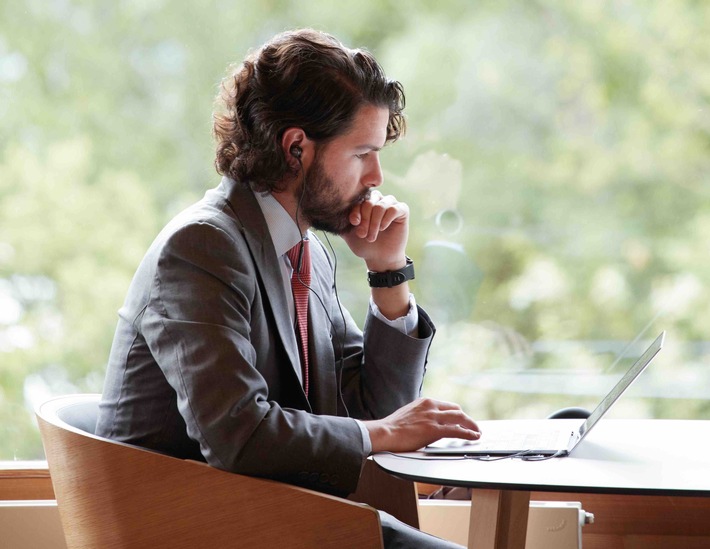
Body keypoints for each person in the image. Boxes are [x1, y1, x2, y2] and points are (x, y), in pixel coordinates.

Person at [96, 28, 480, 548]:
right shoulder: (202, 247)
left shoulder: (308, 254)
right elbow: (240, 435)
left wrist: (388, 273)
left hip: (282, 518)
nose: (377, 176)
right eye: (362, 152)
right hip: (198, 528)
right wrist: (384, 434)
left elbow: (374, 410)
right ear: (296, 146)